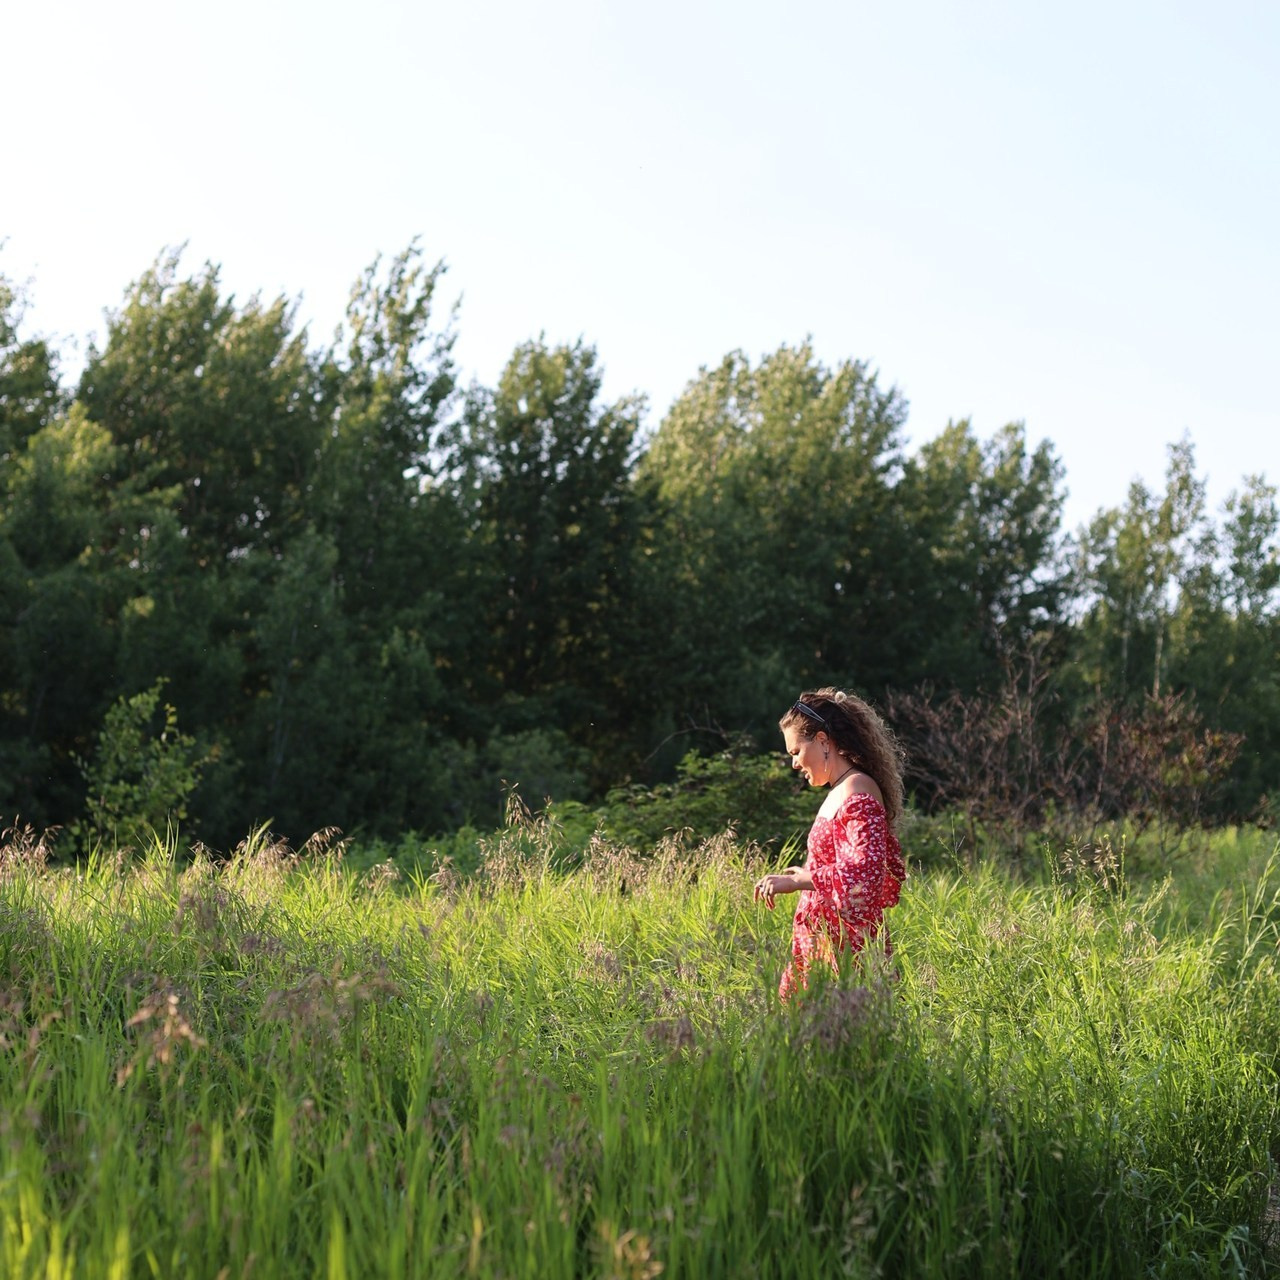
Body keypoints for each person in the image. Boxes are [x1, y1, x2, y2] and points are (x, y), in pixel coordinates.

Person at [753, 688, 907, 1000]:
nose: (795, 763)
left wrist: (798, 881)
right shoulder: (841, 789)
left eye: (796, 751)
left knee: (844, 1040)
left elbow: (863, 875)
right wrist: (810, 873)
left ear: (823, 741)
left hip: (847, 953)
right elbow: (841, 863)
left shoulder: (858, 791)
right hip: (825, 944)